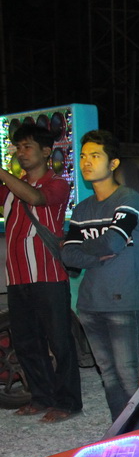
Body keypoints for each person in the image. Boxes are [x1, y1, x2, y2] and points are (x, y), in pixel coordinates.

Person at [61, 130, 139, 420]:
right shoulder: (82, 209)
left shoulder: (128, 199)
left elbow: (113, 241)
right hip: (89, 304)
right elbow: (68, 255)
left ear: (113, 163)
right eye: (83, 156)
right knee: (108, 375)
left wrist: (86, 250)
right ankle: (119, 430)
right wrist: (96, 254)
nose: (86, 162)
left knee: (128, 375)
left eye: (95, 156)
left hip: (123, 301)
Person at [0, 124, 82, 423]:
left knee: (60, 342)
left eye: (27, 147)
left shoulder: (57, 184)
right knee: (26, 342)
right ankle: (41, 397)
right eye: (17, 148)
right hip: (17, 277)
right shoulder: (12, 186)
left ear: (47, 152)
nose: (20, 153)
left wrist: (3, 174)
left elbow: (35, 199)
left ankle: (68, 402)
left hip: (48, 276)